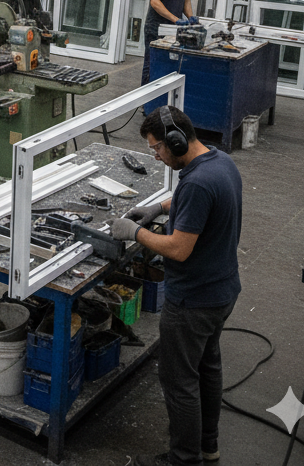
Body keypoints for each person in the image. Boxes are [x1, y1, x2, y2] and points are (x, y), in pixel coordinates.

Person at [111, 106, 242, 466]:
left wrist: (135, 232)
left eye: (157, 148)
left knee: (179, 381)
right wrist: (159, 207)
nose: (156, 156)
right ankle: (208, 446)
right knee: (207, 367)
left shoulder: (197, 182)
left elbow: (179, 249)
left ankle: (183, 460)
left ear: (176, 141)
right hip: (222, 291)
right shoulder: (220, 163)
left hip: (192, 302)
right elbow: (197, 201)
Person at [142, 0, 202, 87]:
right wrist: (176, 19)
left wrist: (190, 18)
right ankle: (147, 98)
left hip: (172, 28)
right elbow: (155, 2)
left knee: (167, 64)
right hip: (156, 27)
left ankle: (162, 96)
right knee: (152, 64)